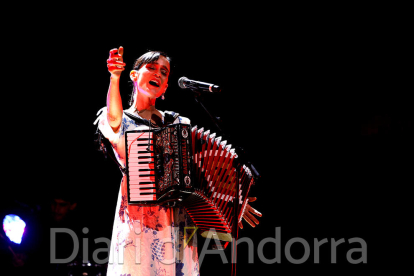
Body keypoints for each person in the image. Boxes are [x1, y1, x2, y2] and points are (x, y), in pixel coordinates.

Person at [94, 47, 261, 276]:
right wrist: (114, 77)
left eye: (164, 72)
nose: (158, 74)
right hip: (139, 223)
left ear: (165, 87)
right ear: (134, 76)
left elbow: (201, 172)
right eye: (151, 68)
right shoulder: (120, 118)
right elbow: (114, 120)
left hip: (178, 224)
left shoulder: (178, 123)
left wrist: (232, 200)